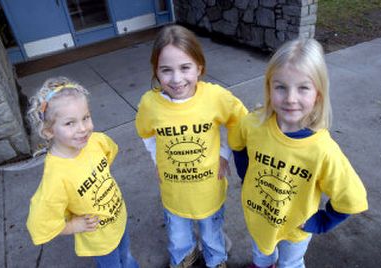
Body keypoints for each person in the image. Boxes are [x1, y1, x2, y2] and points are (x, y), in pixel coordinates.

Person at [229, 38, 368, 268]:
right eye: (280, 87)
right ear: (269, 88)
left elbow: (351, 197)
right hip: (259, 216)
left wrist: (322, 222)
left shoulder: (323, 150)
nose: (290, 98)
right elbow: (238, 144)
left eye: (303, 88)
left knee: (290, 263)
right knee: (261, 253)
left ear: (318, 95)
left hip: (296, 227)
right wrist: (246, 178)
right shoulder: (252, 124)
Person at [135, 25, 248, 268]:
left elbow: (239, 120)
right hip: (174, 191)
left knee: (211, 233)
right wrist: (157, 160)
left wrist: (224, 153)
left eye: (185, 68)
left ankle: (216, 260)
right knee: (178, 235)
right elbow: (146, 134)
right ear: (156, 70)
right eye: (166, 70)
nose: (176, 79)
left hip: (209, 188)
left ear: (199, 67)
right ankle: (184, 258)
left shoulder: (216, 97)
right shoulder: (149, 104)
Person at [26, 77, 139, 268]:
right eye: (70, 123)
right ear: (48, 131)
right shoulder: (56, 177)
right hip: (99, 238)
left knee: (127, 256)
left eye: (85, 117)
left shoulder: (95, 141)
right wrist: (71, 226)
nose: (83, 129)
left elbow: (108, 154)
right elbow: (40, 221)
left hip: (119, 219)